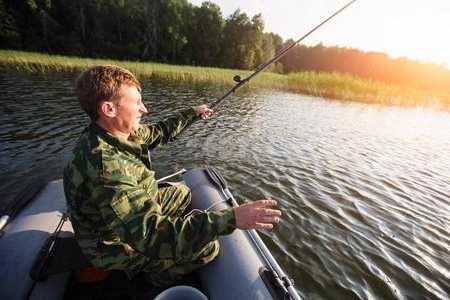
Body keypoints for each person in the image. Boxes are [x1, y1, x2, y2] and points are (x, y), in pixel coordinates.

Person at [63, 65, 281, 287]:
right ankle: (154, 278)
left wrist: (192, 114)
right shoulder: (106, 168)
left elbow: (158, 132)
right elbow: (152, 236)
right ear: (109, 109)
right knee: (208, 249)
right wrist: (231, 218)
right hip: (112, 245)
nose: (144, 109)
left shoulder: (118, 131)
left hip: (132, 213)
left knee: (184, 194)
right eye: (137, 103)